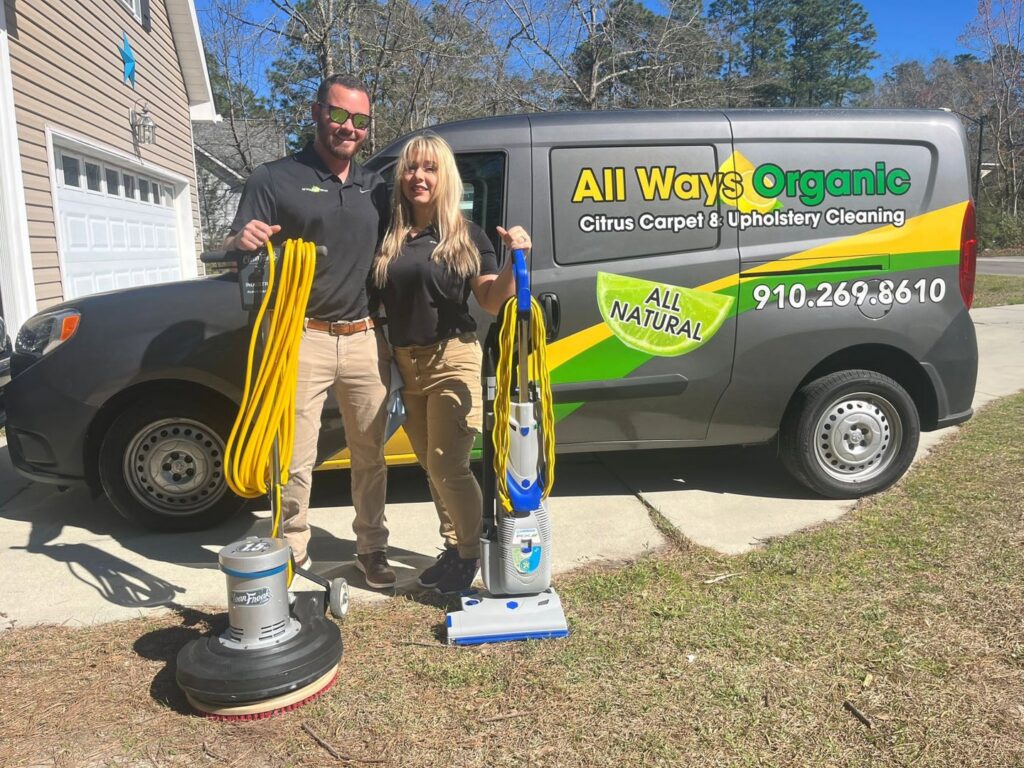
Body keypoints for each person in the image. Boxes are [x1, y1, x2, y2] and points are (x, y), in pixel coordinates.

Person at [225, 74, 397, 589]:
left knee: (371, 455)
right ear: (317, 111)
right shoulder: (274, 179)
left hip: (364, 336)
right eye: (339, 114)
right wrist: (241, 239)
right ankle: (292, 549)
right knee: (295, 458)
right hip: (300, 336)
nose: (349, 128)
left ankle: (372, 547)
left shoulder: (376, 187)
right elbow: (239, 250)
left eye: (360, 120)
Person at [372, 133, 531, 594]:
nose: (418, 177)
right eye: (410, 168)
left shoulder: (466, 234)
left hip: (451, 359)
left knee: (449, 467)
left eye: (430, 168)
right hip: (405, 364)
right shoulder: (391, 234)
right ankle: (454, 545)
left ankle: (470, 553)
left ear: (446, 177)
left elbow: (491, 300)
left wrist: (515, 260)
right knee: (430, 465)